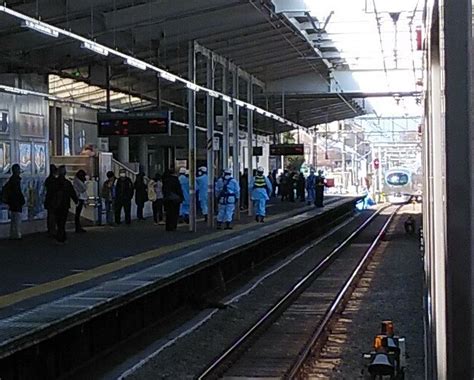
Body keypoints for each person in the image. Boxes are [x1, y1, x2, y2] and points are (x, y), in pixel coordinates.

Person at [51, 165, 78, 243]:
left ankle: (60, 235)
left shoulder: (54, 182)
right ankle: (62, 236)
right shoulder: (67, 183)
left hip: (57, 205)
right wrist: (76, 200)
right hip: (65, 204)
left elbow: (51, 193)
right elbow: (72, 193)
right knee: (63, 221)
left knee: (58, 221)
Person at [1, 164, 25, 240]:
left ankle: (13, 234)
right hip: (16, 202)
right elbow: (18, 192)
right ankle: (17, 234)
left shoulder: (11, 180)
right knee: (17, 219)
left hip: (13, 202)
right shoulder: (16, 181)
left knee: (14, 219)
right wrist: (22, 200)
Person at [44, 164, 58, 236]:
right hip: (53, 200)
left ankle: (50, 229)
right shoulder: (54, 180)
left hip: (49, 199)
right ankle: (52, 230)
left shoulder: (48, 180)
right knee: (53, 215)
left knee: (50, 215)